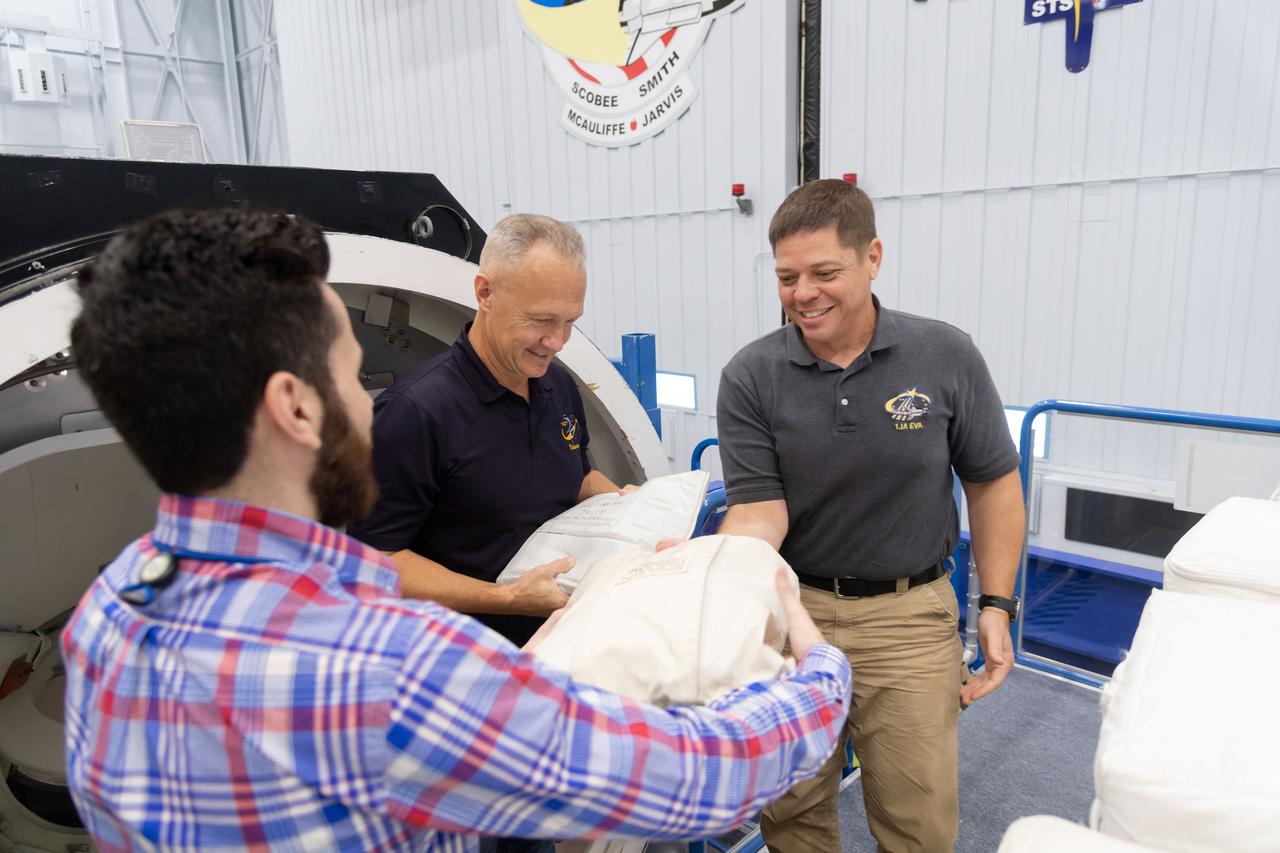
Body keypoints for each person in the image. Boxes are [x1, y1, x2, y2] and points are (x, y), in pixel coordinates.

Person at [61, 207, 851, 852]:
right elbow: (689, 777)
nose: (368, 405)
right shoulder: (389, 669)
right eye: (349, 377)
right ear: (295, 407)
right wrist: (819, 673)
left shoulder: (104, 616)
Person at [714, 179, 1025, 852]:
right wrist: (708, 566)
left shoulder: (944, 355)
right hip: (791, 615)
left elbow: (993, 482)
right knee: (791, 812)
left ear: (872, 257)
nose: (804, 293)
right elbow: (759, 509)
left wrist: (996, 602)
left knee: (919, 822)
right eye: (787, 277)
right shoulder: (750, 375)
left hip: (910, 618)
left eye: (825, 272)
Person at [348, 214, 623, 650]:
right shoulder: (414, 414)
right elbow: (375, 561)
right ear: (485, 292)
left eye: (570, 321)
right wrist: (506, 598)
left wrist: (630, 508)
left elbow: (576, 473)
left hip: (562, 639)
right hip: (464, 659)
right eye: (540, 321)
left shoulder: (558, 386)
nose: (557, 341)